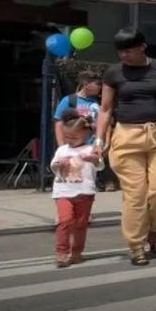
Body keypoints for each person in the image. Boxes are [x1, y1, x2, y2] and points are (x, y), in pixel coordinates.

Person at [94, 28, 156, 266]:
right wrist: (99, 140)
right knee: (135, 196)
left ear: (142, 47)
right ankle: (136, 245)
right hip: (127, 136)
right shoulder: (113, 73)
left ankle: (150, 230)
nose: (124, 55)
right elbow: (106, 109)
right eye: (120, 51)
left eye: (128, 50)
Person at [51, 111, 103, 267]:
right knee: (65, 221)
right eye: (67, 137)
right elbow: (53, 166)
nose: (70, 141)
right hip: (63, 191)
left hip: (85, 191)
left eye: (74, 137)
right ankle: (62, 252)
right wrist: (59, 164)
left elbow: (100, 165)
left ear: (86, 134)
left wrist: (94, 159)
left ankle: (77, 252)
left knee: (81, 224)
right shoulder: (62, 150)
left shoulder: (90, 149)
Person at [54, 70, 116, 192]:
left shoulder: (97, 102)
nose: (100, 88)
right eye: (97, 84)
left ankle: (101, 184)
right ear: (86, 84)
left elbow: (105, 122)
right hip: (75, 144)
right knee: (76, 171)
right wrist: (62, 146)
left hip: (93, 144)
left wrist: (107, 141)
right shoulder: (69, 100)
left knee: (91, 170)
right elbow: (59, 123)